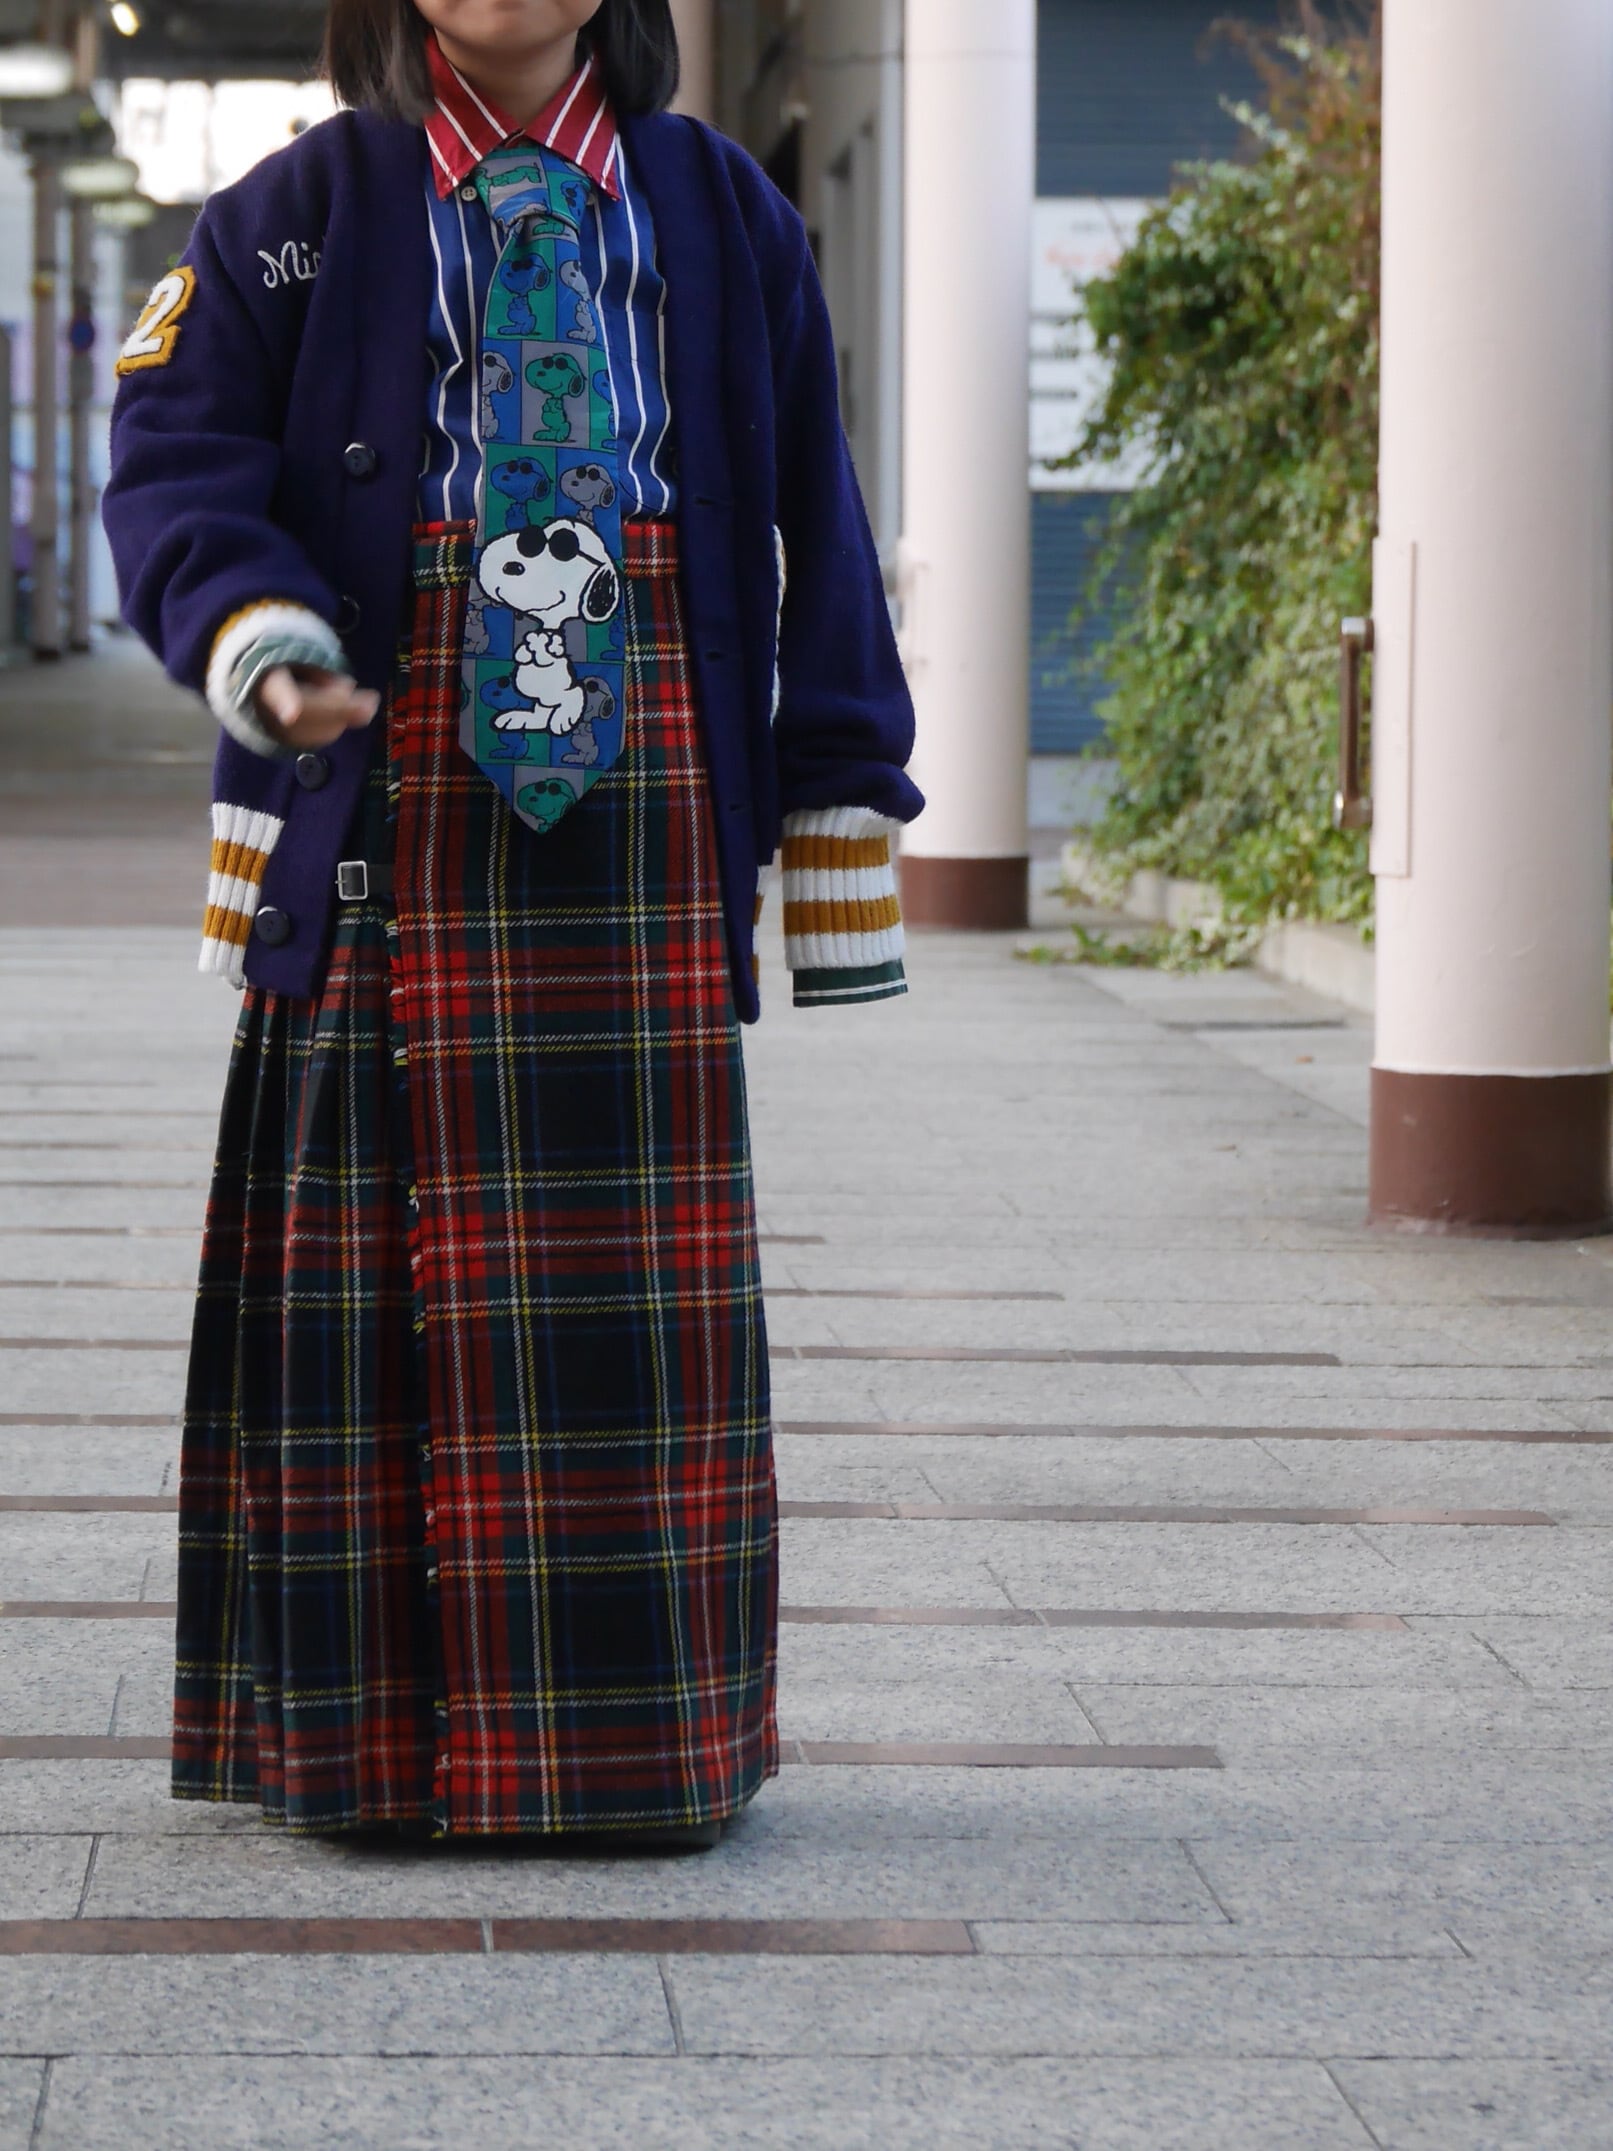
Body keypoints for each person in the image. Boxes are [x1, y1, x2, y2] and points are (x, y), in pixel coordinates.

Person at [101, 0, 922, 1848]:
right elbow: (174, 460)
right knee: (373, 1299)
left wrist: (839, 781)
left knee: (637, 1331)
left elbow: (815, 501)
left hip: (646, 784)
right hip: (384, 765)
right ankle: (366, 1757)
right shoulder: (292, 211)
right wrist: (260, 639)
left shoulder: (723, 206)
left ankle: (635, 1758)